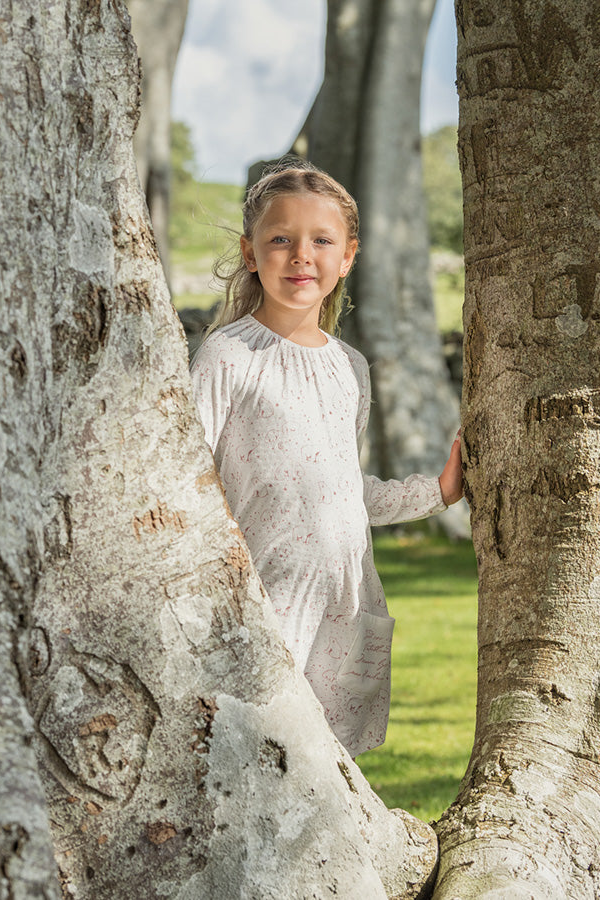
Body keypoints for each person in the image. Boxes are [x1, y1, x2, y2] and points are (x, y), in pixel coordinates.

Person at [189, 161, 463, 757]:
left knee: (329, 772)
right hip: (265, 603)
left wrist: (435, 493)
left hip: (347, 605)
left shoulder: (350, 368)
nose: (300, 256)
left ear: (348, 256)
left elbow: (343, 487)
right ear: (250, 251)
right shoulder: (226, 356)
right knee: (260, 759)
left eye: (321, 241)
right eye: (280, 239)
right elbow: (190, 488)